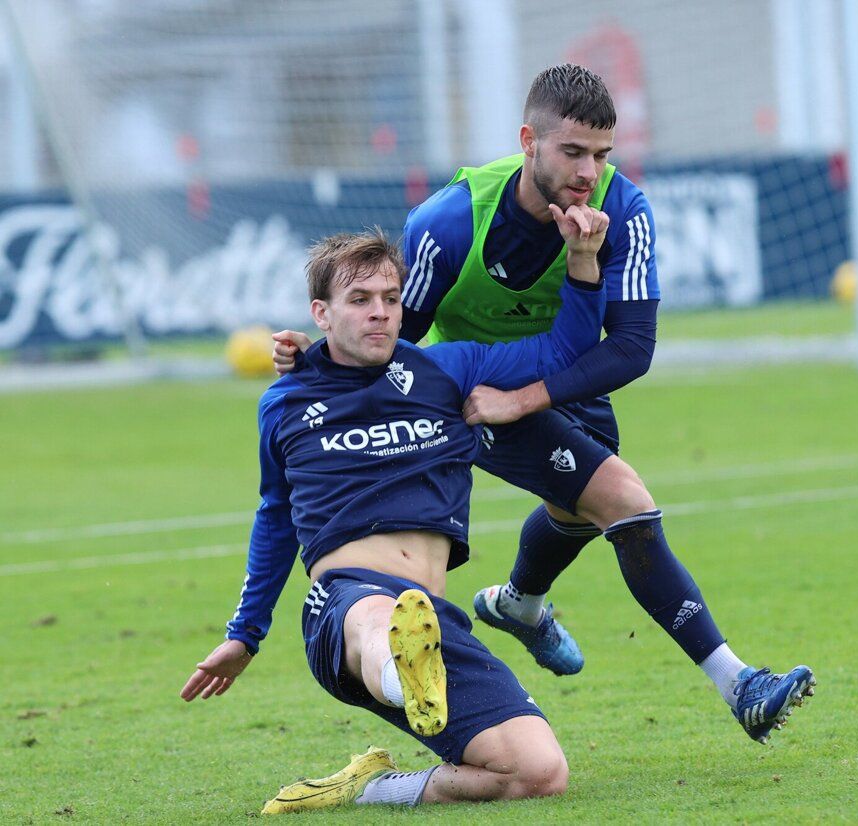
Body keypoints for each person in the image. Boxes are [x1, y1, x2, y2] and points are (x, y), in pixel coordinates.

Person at [274, 64, 814, 744]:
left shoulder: (624, 211)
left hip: (562, 375)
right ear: (529, 141)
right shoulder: (450, 222)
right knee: (620, 497)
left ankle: (519, 605)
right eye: (572, 152)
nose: (591, 171)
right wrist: (320, 360)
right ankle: (740, 683)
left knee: (577, 510)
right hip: (469, 389)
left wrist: (523, 396)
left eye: (602, 154)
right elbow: (393, 342)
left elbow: (632, 349)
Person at [181, 225, 610, 813]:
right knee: (381, 618)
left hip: (432, 620)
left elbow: (569, 348)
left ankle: (374, 788)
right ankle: (402, 671)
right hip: (344, 605)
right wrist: (244, 635)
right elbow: (276, 517)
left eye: (390, 298)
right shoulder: (286, 401)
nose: (380, 313)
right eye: (359, 300)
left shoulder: (448, 371)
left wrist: (583, 257)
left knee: (537, 773)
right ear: (321, 314)